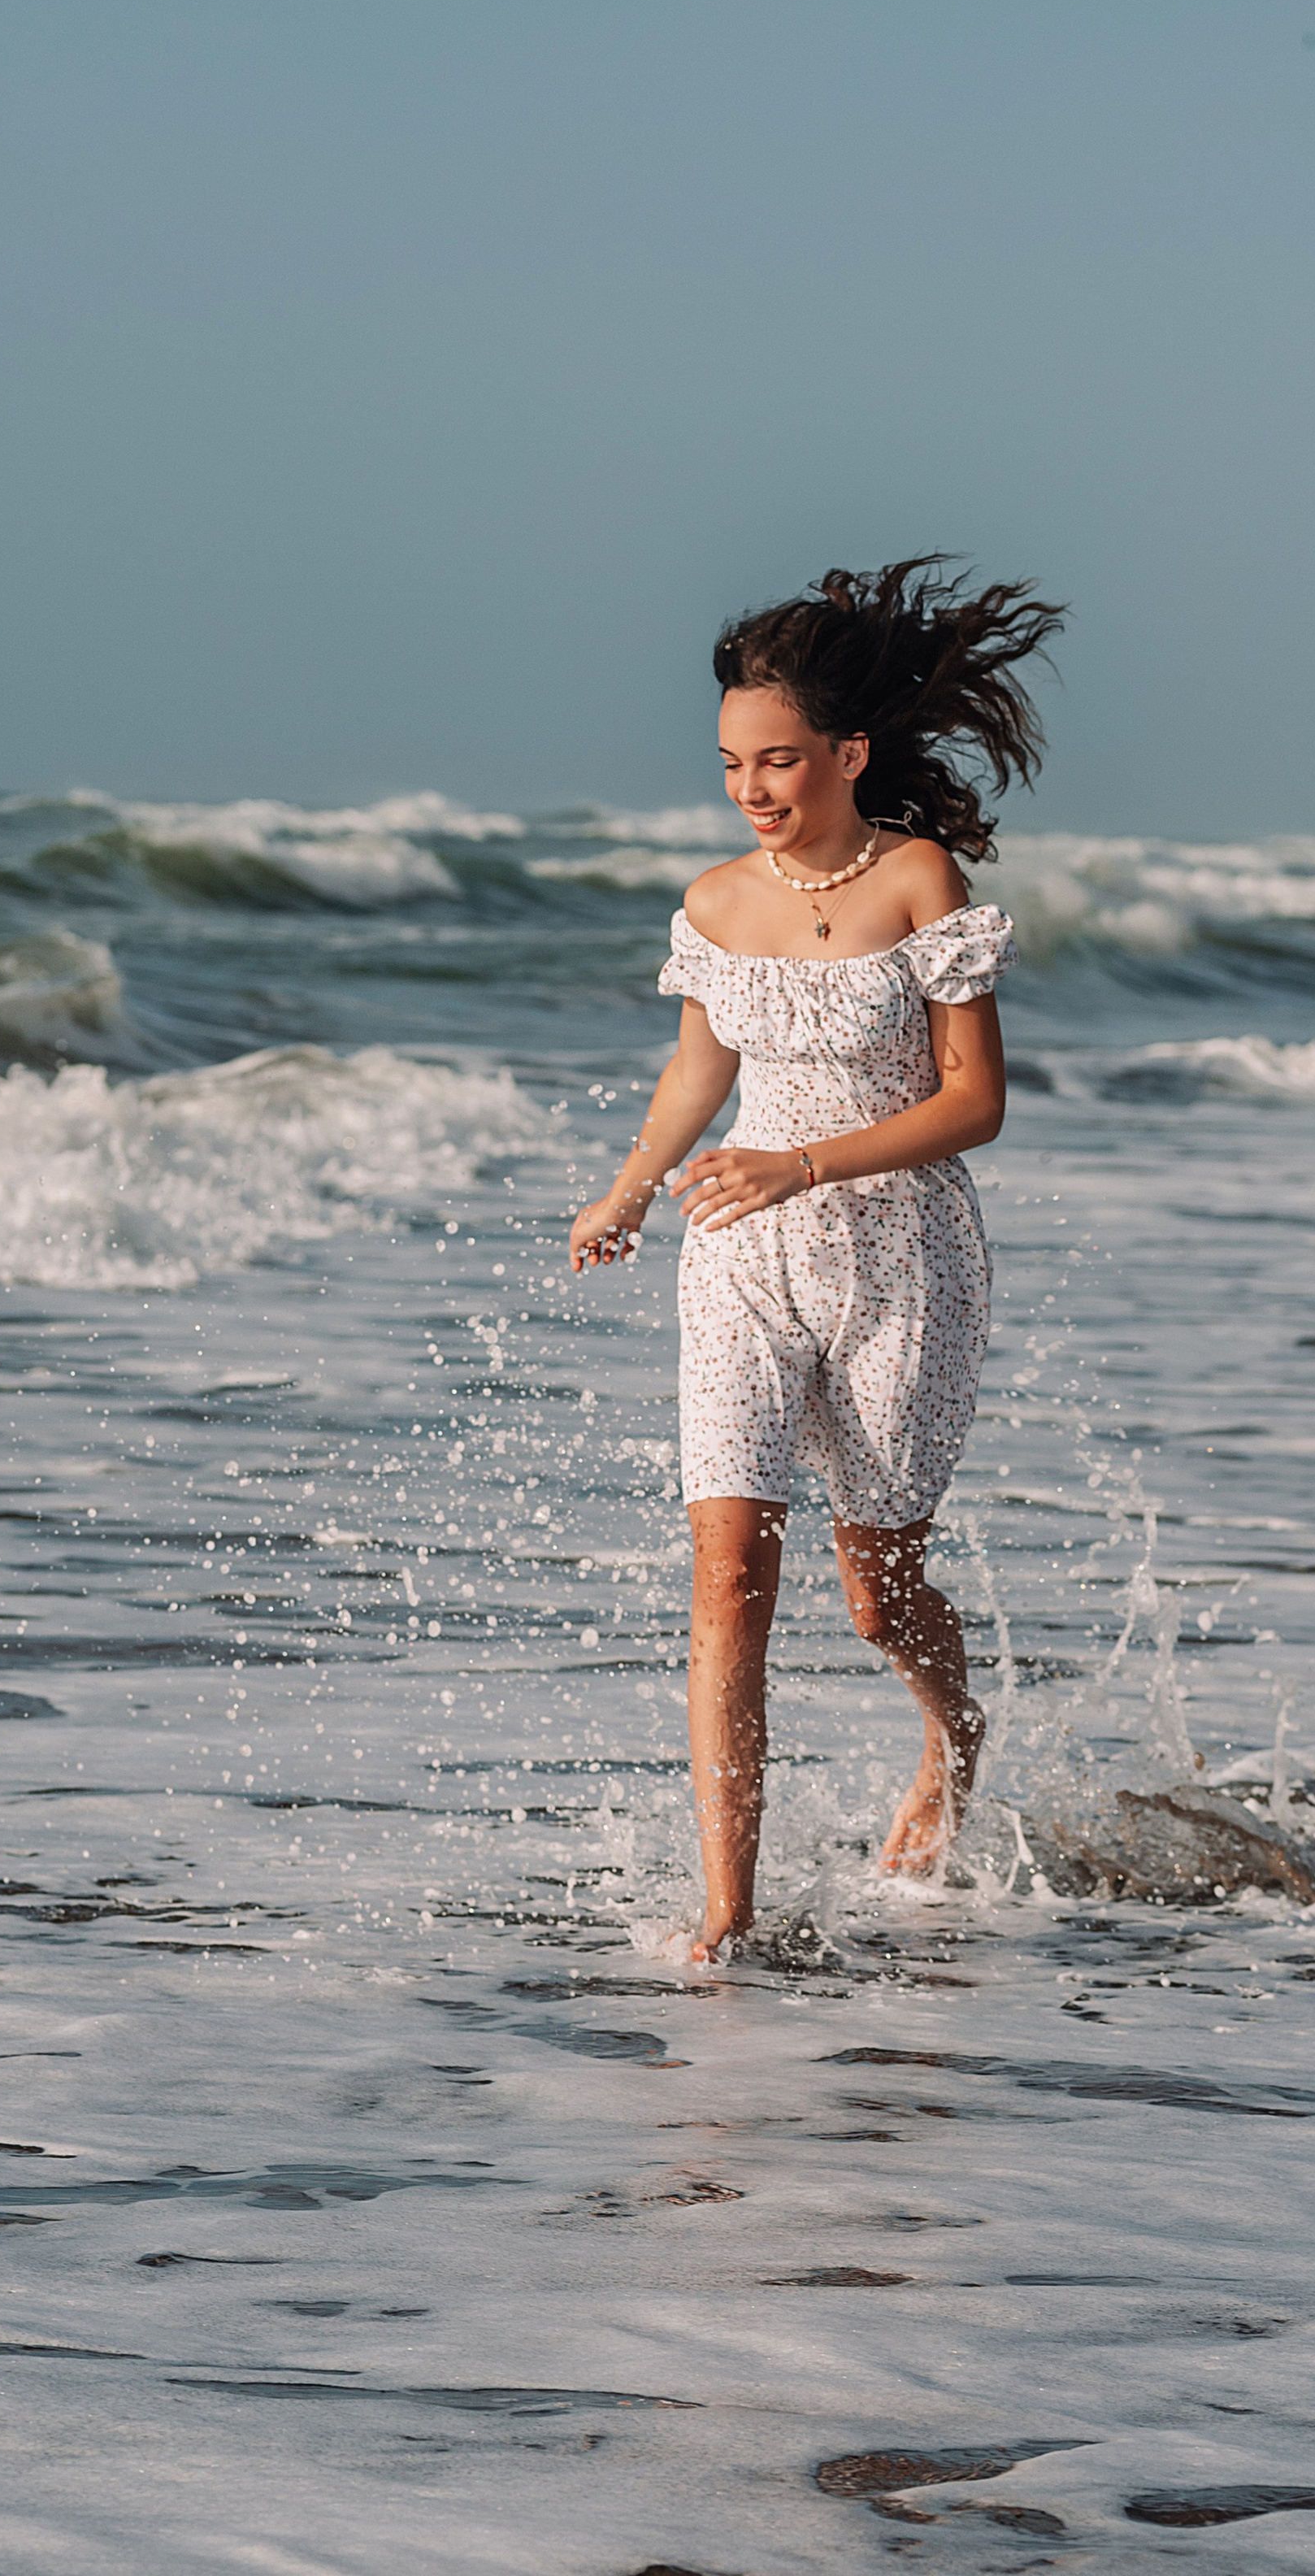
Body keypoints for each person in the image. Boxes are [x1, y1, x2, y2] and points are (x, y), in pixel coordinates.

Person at [569, 557, 1063, 1961]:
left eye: (777, 759)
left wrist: (802, 1162)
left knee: (876, 1590)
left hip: (903, 1256)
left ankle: (952, 1739)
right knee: (728, 1571)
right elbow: (695, 1075)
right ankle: (726, 1914)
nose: (752, 788)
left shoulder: (922, 882)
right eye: (731, 762)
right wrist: (628, 1188)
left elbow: (975, 1103)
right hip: (740, 1255)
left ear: (848, 753)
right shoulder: (717, 903)